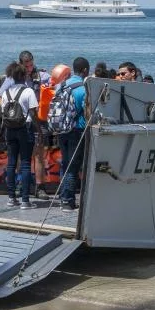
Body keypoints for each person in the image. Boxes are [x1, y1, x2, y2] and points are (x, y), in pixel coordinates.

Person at [0, 63, 40, 209]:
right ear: (23, 75)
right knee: (26, 163)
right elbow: (33, 113)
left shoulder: (6, 93)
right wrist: (39, 130)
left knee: (11, 163)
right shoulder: (28, 92)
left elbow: (4, 111)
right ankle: (25, 200)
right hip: (25, 129)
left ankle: (11, 198)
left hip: (9, 129)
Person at [57, 57, 89, 212]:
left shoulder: (61, 85)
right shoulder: (83, 89)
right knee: (73, 166)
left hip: (61, 129)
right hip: (76, 130)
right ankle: (68, 201)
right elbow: (87, 111)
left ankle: (62, 196)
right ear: (85, 70)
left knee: (65, 163)